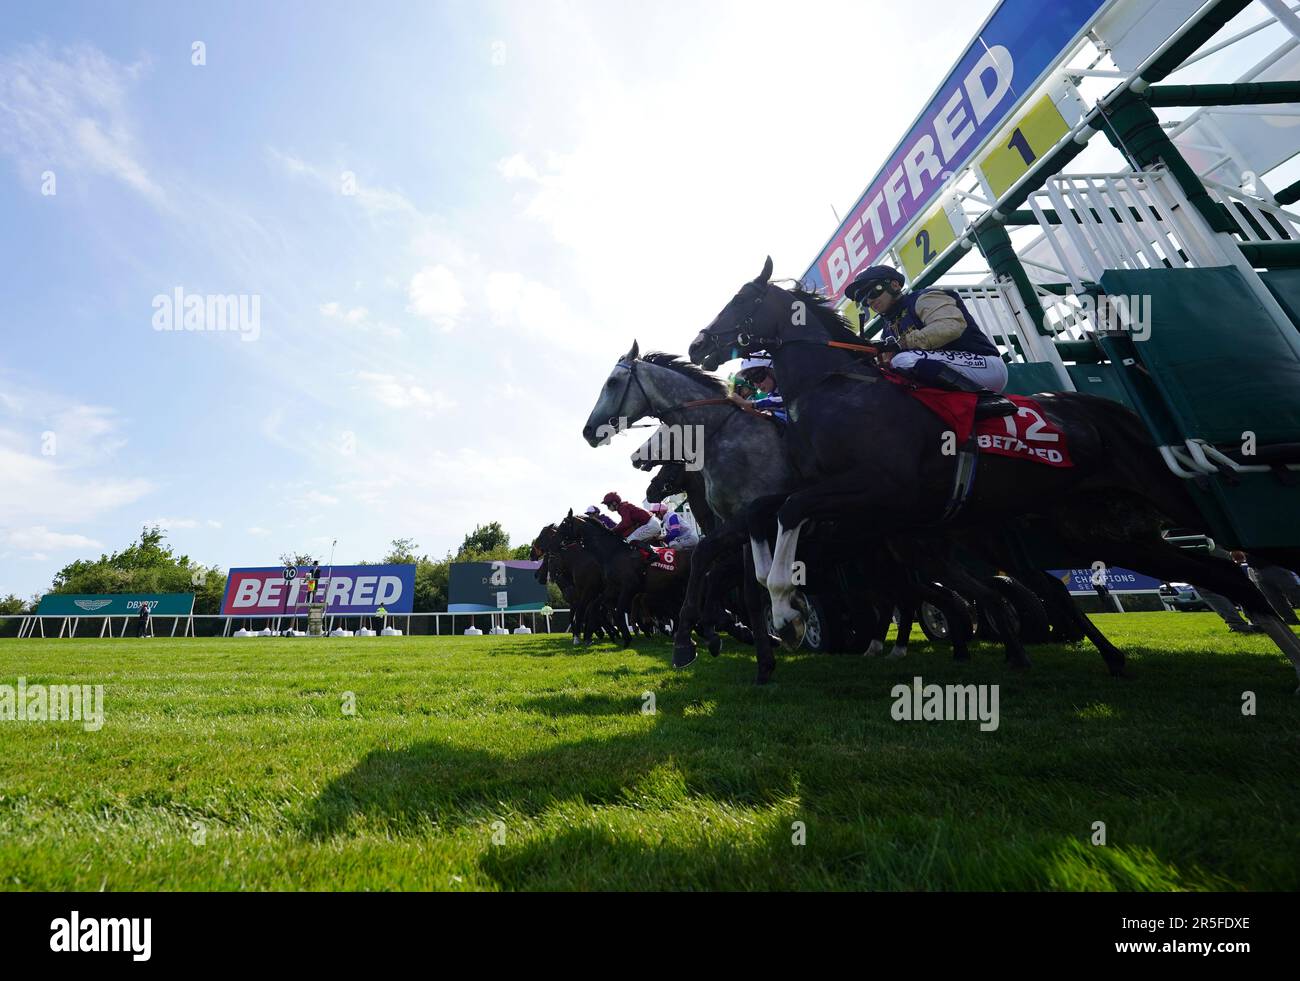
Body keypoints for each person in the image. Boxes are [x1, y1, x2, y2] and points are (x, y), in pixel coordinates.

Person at [844, 264, 1012, 411]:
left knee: (903, 360)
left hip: (986, 366)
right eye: (865, 301)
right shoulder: (887, 330)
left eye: (873, 291)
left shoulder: (924, 298)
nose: (870, 301)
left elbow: (951, 327)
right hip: (953, 371)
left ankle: (986, 399)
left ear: (894, 285)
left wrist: (901, 344)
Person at [730, 355, 788, 422]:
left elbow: (788, 399)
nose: (756, 386)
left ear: (772, 370)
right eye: (751, 381)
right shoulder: (772, 395)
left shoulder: (793, 383)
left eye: (757, 377)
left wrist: (749, 403)